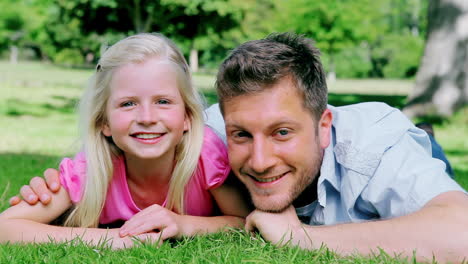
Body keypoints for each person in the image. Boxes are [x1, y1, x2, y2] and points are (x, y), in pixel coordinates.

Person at [10, 33, 468, 262]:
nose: (260, 159)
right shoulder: (200, 137)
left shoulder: (378, 147)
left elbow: (459, 234)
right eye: (241, 134)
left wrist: (304, 240)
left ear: (323, 124)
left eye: (283, 132)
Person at [0, 33, 249, 248]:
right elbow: (5, 227)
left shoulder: (205, 155)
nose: (147, 118)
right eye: (128, 103)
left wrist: (182, 224)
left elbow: (242, 220)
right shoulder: (91, 170)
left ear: (187, 116)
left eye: (163, 101)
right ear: (104, 122)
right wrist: (114, 240)